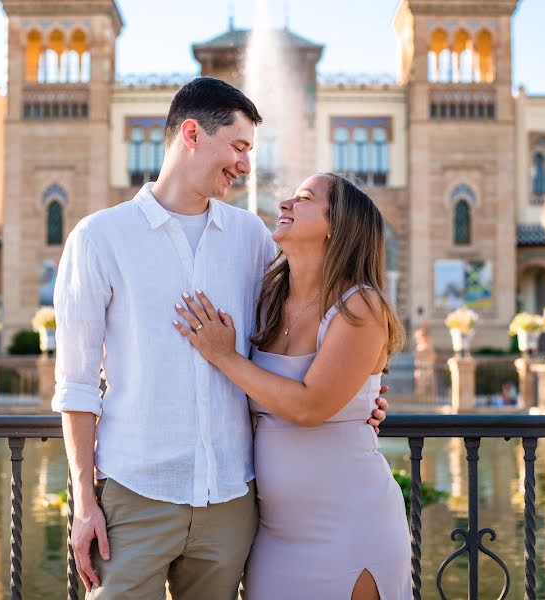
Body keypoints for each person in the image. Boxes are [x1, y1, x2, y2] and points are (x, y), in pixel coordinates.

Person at [52, 77, 389, 599]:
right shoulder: (99, 238)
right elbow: (74, 384)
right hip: (136, 497)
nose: (246, 165)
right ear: (191, 134)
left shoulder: (251, 238)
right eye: (237, 147)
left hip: (233, 501)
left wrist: (358, 395)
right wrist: (83, 501)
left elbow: (295, 337)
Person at [174, 173, 413, 600]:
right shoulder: (265, 298)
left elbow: (308, 407)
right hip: (274, 536)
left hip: (351, 527)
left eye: (303, 199)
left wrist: (224, 355)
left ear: (336, 226)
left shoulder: (360, 304)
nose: (284, 202)